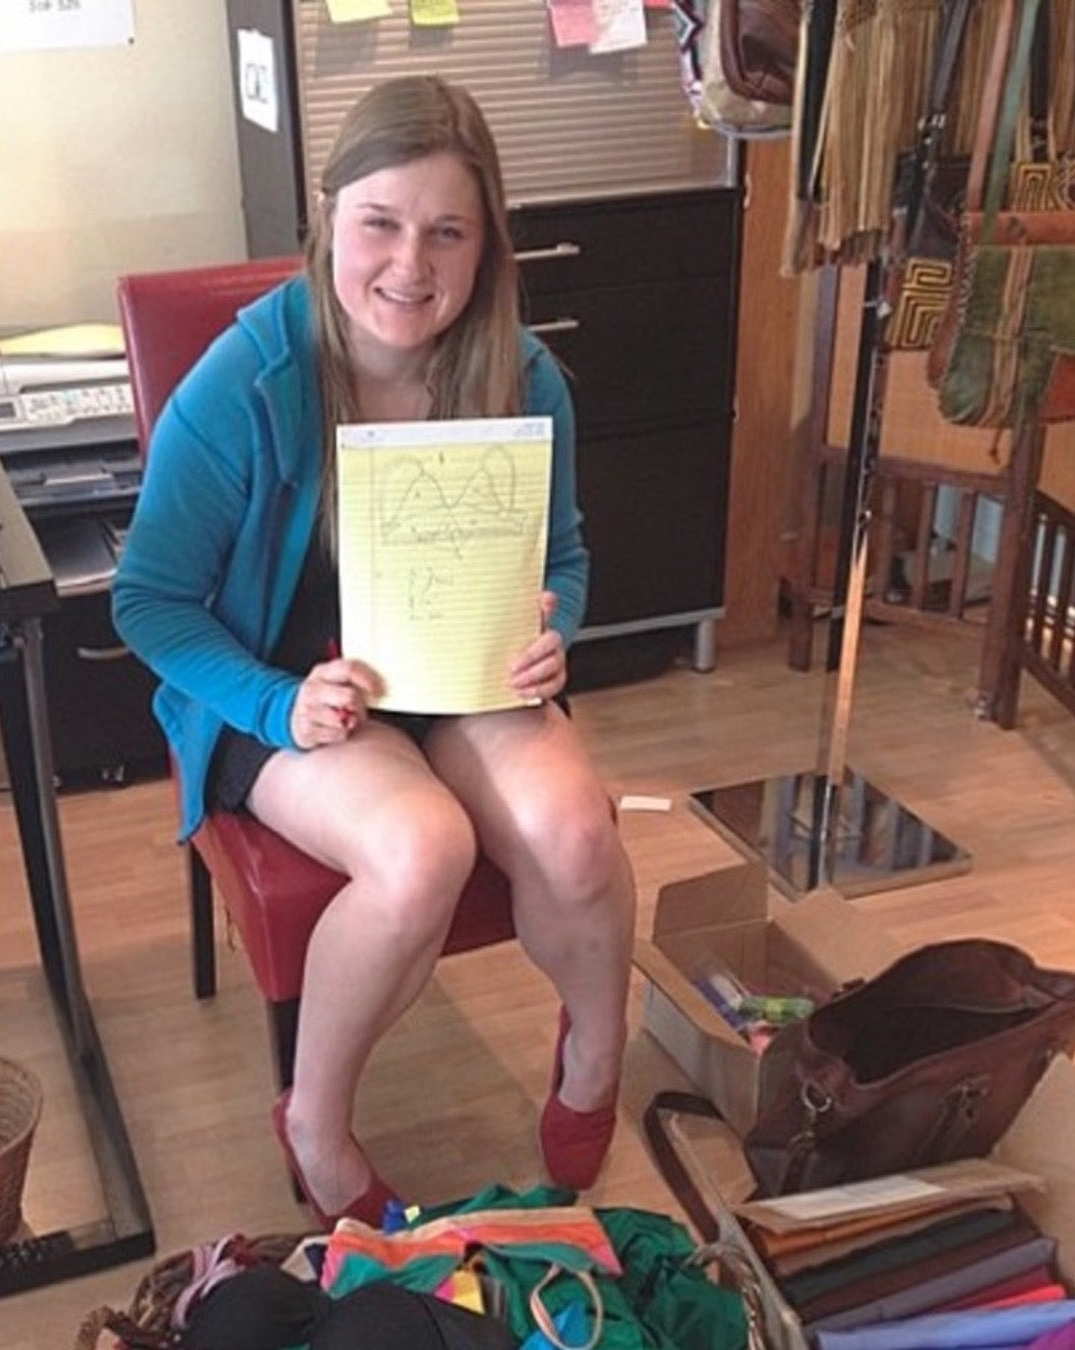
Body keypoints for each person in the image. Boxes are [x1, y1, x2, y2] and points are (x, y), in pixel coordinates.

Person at [113, 74, 637, 1228]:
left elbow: (568, 553)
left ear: (488, 240)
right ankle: (314, 1120)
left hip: (450, 664)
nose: (412, 265)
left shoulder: (522, 371)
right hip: (284, 688)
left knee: (574, 827)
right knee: (419, 849)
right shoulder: (245, 382)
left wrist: (555, 621)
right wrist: (270, 703)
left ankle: (595, 1062)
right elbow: (149, 604)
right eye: (381, 224)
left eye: (449, 231)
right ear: (329, 215)